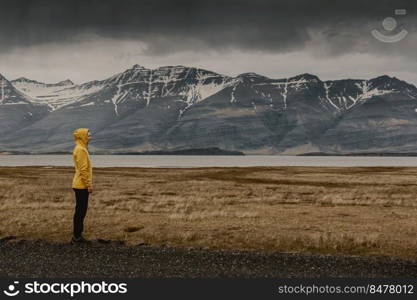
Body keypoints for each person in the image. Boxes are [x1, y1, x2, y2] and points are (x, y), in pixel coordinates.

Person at [71, 128, 93, 244]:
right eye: (88, 135)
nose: (90, 137)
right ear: (82, 136)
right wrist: (89, 185)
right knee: (80, 211)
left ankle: (77, 235)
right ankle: (77, 237)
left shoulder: (81, 148)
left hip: (80, 184)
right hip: (81, 186)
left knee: (80, 211)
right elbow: (83, 170)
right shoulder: (81, 150)